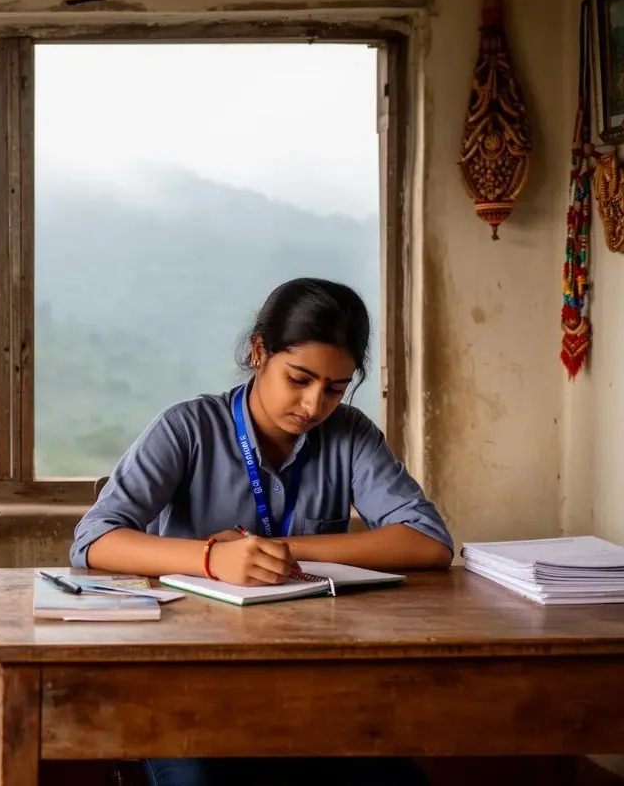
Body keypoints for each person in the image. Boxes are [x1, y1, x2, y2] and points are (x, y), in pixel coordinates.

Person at [71, 277, 452, 786]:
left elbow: (428, 540)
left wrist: (279, 550)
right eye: (299, 379)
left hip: (313, 682)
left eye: (335, 388)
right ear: (258, 352)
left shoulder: (351, 435)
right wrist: (211, 559)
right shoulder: (186, 428)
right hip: (186, 684)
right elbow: (92, 541)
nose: (315, 405)